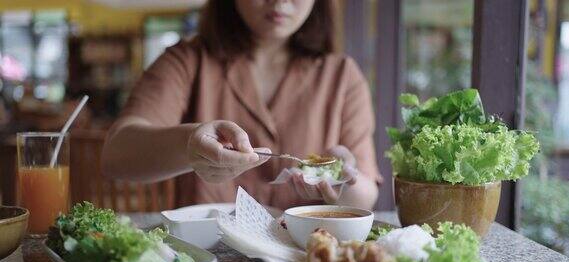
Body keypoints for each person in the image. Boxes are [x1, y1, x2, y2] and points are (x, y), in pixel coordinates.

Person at [102, 0, 381, 210]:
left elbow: (366, 196)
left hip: (308, 261)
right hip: (210, 259)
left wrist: (344, 180)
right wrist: (189, 143)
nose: (280, 1)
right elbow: (116, 154)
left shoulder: (343, 76)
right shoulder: (187, 61)